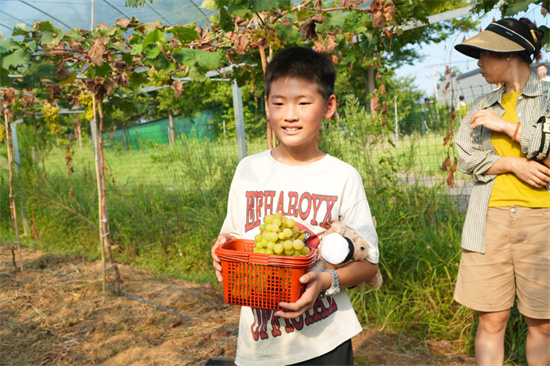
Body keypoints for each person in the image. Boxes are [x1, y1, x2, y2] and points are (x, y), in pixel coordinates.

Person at [211, 46, 379, 365]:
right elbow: (230, 240)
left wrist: (324, 282)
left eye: (303, 103)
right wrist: (219, 255)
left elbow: (370, 263)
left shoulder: (343, 176)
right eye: (279, 103)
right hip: (261, 344)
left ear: (328, 106)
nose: (290, 114)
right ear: (267, 106)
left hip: (325, 341)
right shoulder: (248, 170)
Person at [453, 18, 550, 366]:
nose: (478, 62)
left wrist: (508, 127)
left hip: (542, 223)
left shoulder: (547, 99)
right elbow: (466, 157)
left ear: (509, 54)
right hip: (487, 220)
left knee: (543, 323)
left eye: (484, 54)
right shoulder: (480, 109)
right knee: (491, 320)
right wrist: (514, 165)